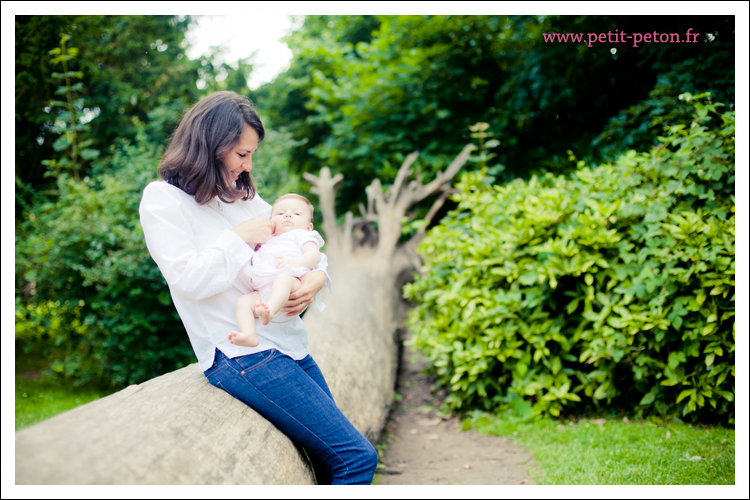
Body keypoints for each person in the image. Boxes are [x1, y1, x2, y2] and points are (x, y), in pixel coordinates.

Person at [138, 90, 378, 485]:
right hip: (240, 355)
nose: (248, 165)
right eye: (241, 154)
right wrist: (237, 238)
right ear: (210, 147)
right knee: (356, 459)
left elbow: (300, 241)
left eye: (251, 154)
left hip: (290, 344)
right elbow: (188, 280)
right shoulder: (163, 200)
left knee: (328, 461)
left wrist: (318, 278)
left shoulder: (243, 197)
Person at [229, 193, 325, 348]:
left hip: (292, 285)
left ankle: (270, 311)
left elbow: (314, 256)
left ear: (309, 226)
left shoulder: (302, 235)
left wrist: (294, 263)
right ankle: (249, 334)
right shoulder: (267, 240)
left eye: (296, 213)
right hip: (263, 294)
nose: (287, 215)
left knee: (283, 279)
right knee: (243, 302)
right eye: (280, 213)